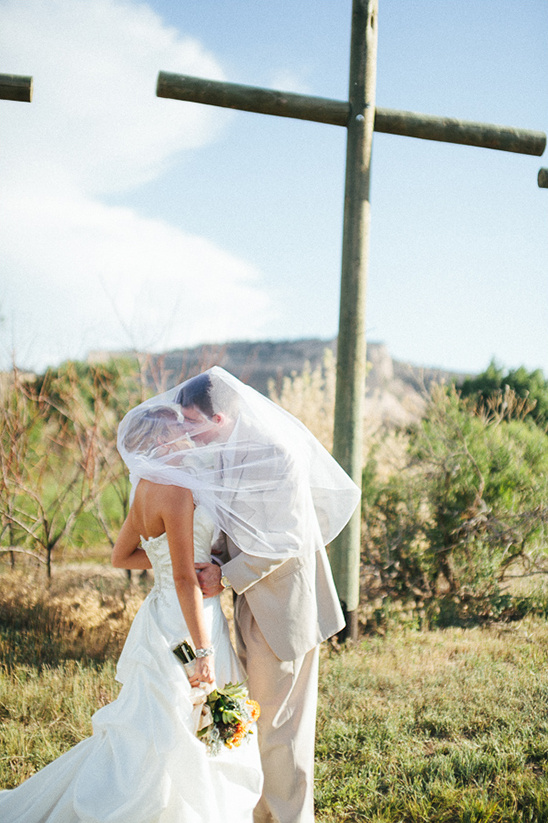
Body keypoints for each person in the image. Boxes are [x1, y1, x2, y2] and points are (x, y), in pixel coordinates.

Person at [0, 404, 263, 823]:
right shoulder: (176, 491)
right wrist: (204, 651)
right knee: (184, 719)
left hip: (161, 616)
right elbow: (182, 580)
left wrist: (173, 563)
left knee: (164, 725)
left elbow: (122, 555)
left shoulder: (144, 486)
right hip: (188, 620)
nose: (190, 437)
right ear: (160, 440)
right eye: (181, 431)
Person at [168, 367, 361, 823]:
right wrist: (208, 557)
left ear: (218, 419)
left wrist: (224, 575)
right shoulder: (220, 451)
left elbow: (285, 538)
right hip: (249, 604)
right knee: (257, 724)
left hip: (285, 609)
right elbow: (234, 527)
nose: (185, 433)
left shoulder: (277, 453)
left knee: (283, 732)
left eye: (191, 422)